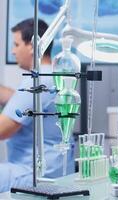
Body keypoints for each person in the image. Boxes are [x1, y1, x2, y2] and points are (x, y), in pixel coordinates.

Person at [0, 18, 74, 192]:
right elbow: (18, 99)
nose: (13, 51)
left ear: (32, 46)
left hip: (32, 173)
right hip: (56, 171)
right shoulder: (54, 76)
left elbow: (2, 130)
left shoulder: (36, 81)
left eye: (16, 45)